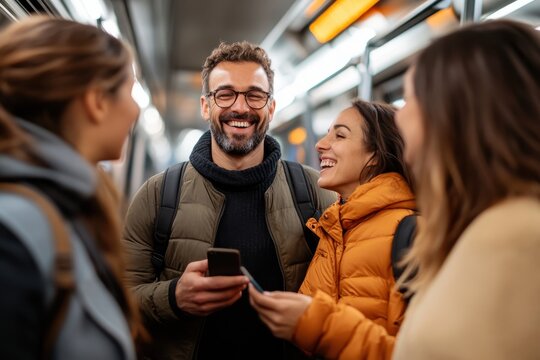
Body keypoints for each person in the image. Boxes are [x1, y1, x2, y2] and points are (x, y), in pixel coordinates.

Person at [122, 41, 336, 359]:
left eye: (254, 95)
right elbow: (120, 298)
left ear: (270, 108)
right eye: (225, 94)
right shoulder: (158, 195)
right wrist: (173, 297)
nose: (240, 107)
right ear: (206, 106)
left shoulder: (314, 191)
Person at [391, 19, 540, 359]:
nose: (398, 118)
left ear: (452, 116)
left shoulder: (518, 239)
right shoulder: (475, 224)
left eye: (410, 99)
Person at [0, 16, 143, 359]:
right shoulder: (14, 235)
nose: (136, 108)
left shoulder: (66, 207)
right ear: (96, 100)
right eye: (130, 90)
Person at [249, 99, 416, 359]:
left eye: (339, 135)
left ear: (373, 155)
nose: (320, 144)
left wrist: (318, 325)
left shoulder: (410, 234)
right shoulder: (333, 228)